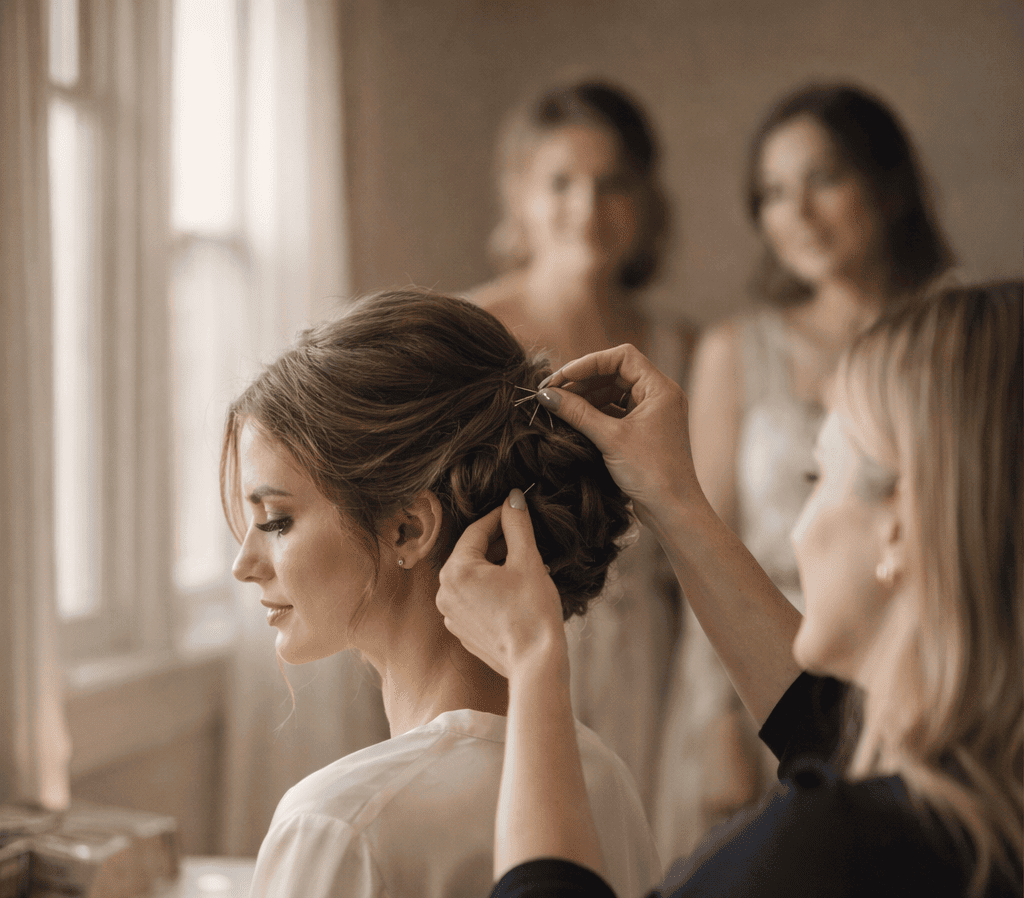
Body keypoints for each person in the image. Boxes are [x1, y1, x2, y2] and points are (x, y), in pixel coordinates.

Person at [437, 282, 1023, 897]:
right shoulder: (978, 793)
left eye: (816, 474)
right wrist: (671, 497)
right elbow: (827, 731)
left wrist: (534, 663)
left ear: (900, 524)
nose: (797, 530)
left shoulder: (826, 857)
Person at [220, 289, 661, 898]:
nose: (244, 565)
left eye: (274, 520)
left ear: (408, 528)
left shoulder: (336, 827)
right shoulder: (601, 780)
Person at [654, 82, 957, 857]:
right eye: (774, 193)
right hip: (761, 663)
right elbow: (698, 535)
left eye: (824, 179)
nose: (800, 214)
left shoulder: (962, 337)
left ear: (888, 185)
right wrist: (714, 717)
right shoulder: (733, 351)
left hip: (924, 675)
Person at [469, 78, 695, 810]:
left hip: (649, 657)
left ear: (647, 200)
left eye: (613, 184)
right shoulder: (469, 331)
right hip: (506, 643)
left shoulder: (679, 346)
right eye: (561, 182)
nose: (588, 209)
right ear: (520, 196)